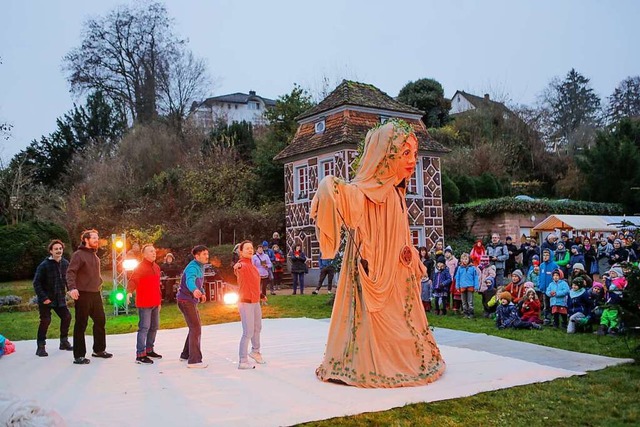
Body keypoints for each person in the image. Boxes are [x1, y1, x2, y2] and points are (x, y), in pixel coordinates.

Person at [310, 120, 445, 387]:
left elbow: (403, 234)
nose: (412, 161)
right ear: (385, 155)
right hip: (374, 269)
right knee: (376, 320)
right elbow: (339, 194)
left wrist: (413, 257)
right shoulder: (363, 193)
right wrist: (328, 185)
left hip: (399, 272)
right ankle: (371, 365)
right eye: (405, 153)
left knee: (403, 319)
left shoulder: (396, 194)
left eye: (414, 154)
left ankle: (407, 360)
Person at [66, 229, 112, 365]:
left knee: (100, 320)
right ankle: (79, 356)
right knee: (81, 324)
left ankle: (98, 350)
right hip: (83, 294)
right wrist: (72, 288)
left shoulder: (95, 256)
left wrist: (99, 281)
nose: (97, 240)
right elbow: (70, 272)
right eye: (94, 238)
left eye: (97, 238)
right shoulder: (78, 255)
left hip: (95, 293)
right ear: (86, 240)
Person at [33, 240, 73, 357]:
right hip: (46, 299)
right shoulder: (44, 265)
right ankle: (41, 347)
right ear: (51, 251)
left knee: (67, 317)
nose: (59, 251)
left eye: (60, 248)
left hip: (59, 298)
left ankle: (63, 342)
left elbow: (67, 280)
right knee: (45, 321)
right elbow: (36, 283)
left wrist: (71, 290)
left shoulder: (65, 263)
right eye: (56, 249)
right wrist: (44, 297)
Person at [127, 244, 163, 365]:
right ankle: (140, 354)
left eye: (154, 251)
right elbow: (133, 280)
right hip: (144, 303)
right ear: (144, 254)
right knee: (144, 328)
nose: (154, 253)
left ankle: (149, 349)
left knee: (154, 327)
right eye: (151, 251)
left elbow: (157, 286)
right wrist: (129, 292)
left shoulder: (157, 267)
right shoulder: (140, 267)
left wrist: (159, 301)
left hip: (154, 302)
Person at [233, 240, 266, 370]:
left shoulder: (253, 266)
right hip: (245, 302)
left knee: (258, 328)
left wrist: (261, 295)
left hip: (255, 302)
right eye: (247, 248)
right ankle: (242, 360)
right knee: (248, 332)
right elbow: (238, 268)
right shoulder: (242, 264)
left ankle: (255, 351)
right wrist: (237, 266)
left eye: (251, 248)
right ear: (240, 252)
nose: (250, 250)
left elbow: (254, 284)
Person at [177, 245, 208, 368]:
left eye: (207, 254)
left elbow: (198, 282)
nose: (207, 256)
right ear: (197, 256)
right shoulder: (192, 267)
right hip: (185, 301)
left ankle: (186, 354)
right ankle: (194, 360)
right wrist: (194, 290)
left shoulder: (201, 266)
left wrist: (202, 292)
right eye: (204, 254)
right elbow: (190, 280)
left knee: (194, 327)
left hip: (189, 300)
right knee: (196, 328)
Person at [454, 253, 479, 318]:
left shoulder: (473, 268)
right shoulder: (460, 268)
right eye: (463, 259)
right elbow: (457, 277)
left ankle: (471, 313)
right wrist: (457, 286)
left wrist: (476, 286)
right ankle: (465, 313)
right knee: (464, 301)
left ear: (469, 259)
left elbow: (475, 277)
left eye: (466, 259)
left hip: (470, 286)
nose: (464, 260)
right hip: (462, 286)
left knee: (470, 301)